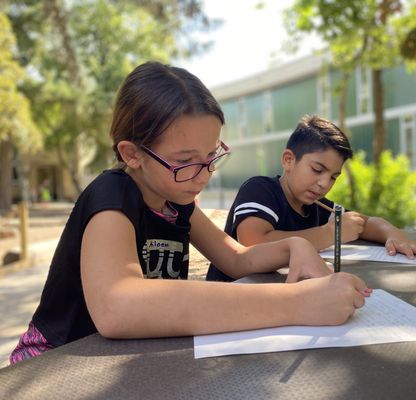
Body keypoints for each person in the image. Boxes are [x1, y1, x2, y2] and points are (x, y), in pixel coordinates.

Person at [9, 63, 371, 364]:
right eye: (185, 162)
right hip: (58, 362)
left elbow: (236, 258)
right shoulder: (112, 197)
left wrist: (293, 247)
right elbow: (118, 307)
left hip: (129, 359)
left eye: (212, 155)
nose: (204, 174)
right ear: (132, 154)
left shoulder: (178, 199)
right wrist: (297, 303)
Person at [207, 115, 416, 282]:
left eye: (333, 177)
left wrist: (395, 235)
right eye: (317, 170)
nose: (324, 184)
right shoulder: (260, 189)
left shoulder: (317, 207)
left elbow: (364, 222)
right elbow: (253, 242)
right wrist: (331, 234)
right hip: (230, 302)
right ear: (288, 160)